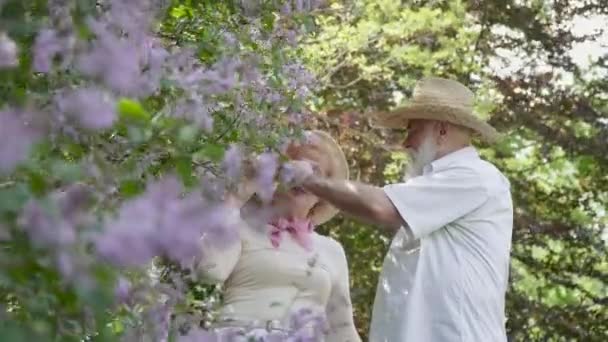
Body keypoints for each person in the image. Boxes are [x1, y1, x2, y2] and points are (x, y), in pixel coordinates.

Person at [288, 77, 514, 341]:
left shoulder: (474, 177)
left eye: (413, 130)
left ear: (441, 130)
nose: (406, 143)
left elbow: (380, 207)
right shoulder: (435, 191)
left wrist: (308, 180)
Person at [192, 130, 361, 342]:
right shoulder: (242, 227)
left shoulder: (331, 250)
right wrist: (237, 196)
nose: (303, 177)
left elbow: (342, 330)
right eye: (296, 166)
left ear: (323, 192)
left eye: (314, 172)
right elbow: (210, 272)